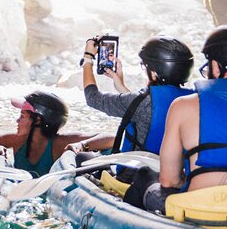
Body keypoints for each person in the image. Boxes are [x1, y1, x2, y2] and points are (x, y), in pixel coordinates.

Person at [133, 23, 227, 212]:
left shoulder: (183, 105)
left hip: (202, 209)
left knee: (144, 176)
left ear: (217, 65)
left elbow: (169, 180)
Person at [70, 35, 195, 168]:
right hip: (175, 170)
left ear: (153, 73)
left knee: (80, 157)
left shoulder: (141, 101)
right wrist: (120, 84)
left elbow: (93, 98)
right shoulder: (194, 99)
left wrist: (88, 58)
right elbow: (142, 106)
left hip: (136, 174)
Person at [0, 91, 115, 177]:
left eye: (22, 116)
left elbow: (111, 138)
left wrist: (82, 146)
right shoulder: (18, 140)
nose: (17, 120)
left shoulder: (59, 143)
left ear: (38, 120)